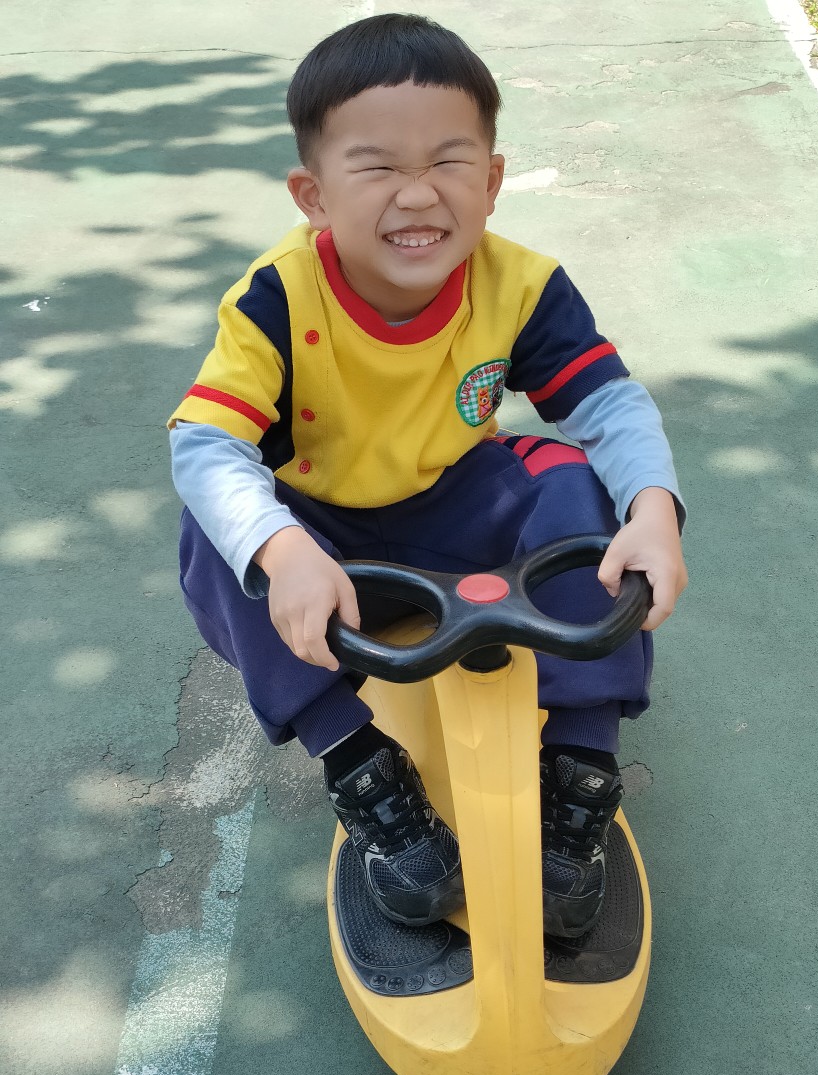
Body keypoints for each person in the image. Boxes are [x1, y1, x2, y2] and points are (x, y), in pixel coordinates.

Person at [168, 13, 687, 939]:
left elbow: (608, 405)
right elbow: (205, 444)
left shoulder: (519, 286)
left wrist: (653, 509)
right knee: (222, 535)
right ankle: (356, 761)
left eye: (449, 162)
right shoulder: (278, 298)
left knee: (581, 485)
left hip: (456, 503)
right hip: (327, 530)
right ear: (313, 195)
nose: (417, 195)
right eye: (376, 168)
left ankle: (579, 766)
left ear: (490, 182)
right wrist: (282, 549)